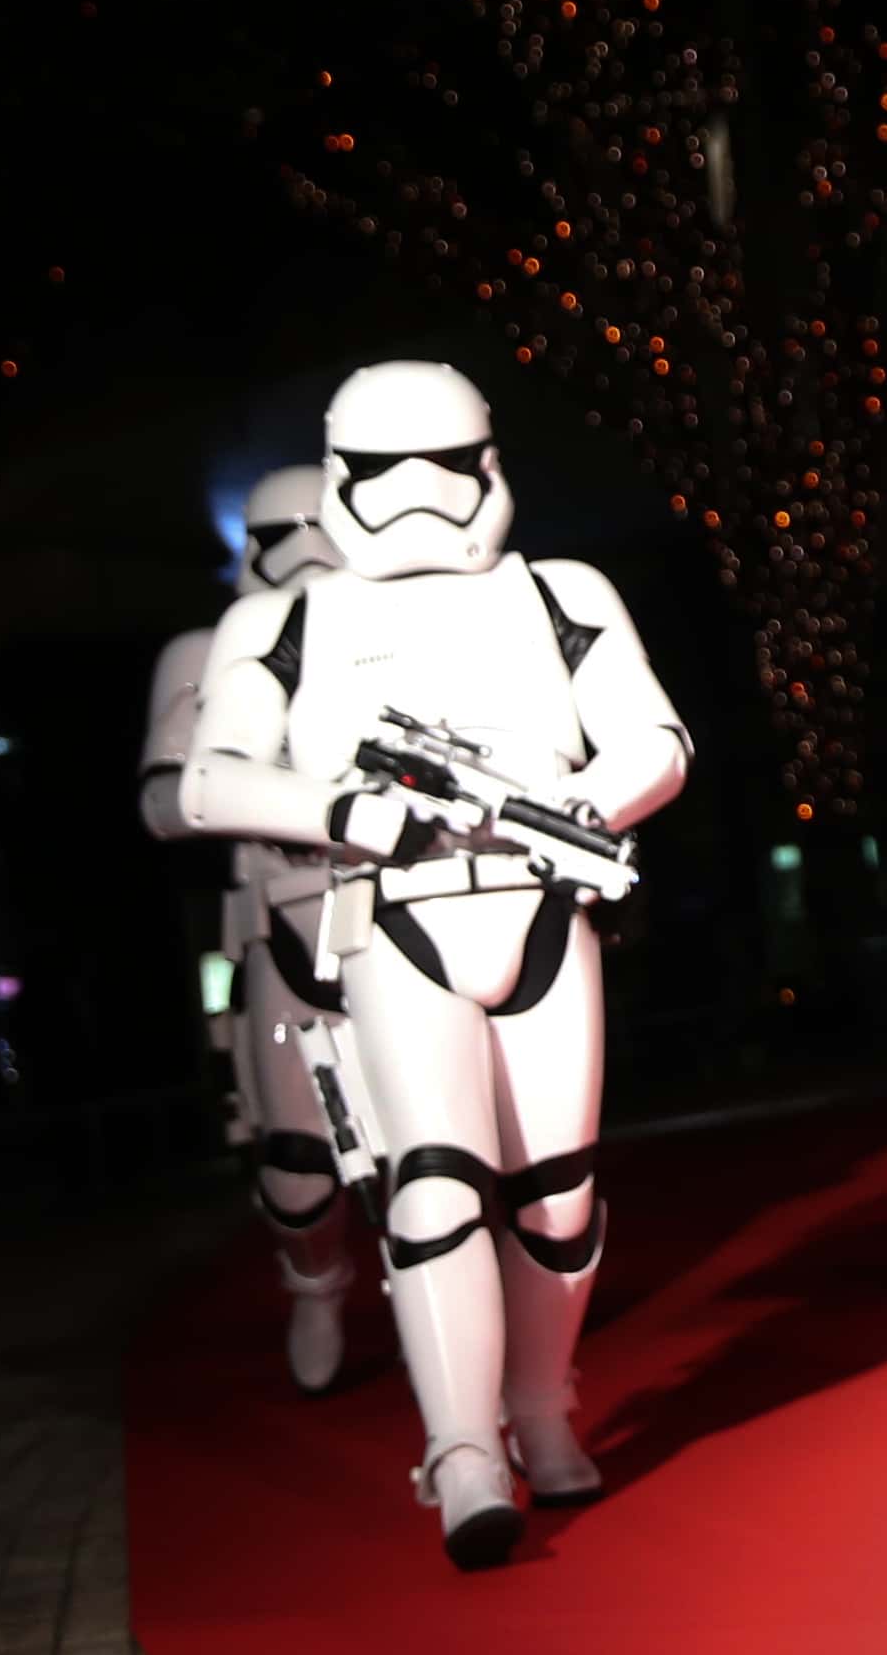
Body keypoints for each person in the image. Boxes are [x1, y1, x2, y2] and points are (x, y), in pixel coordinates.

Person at [181, 361, 692, 1569]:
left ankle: (540, 1401)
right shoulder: (289, 620)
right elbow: (211, 780)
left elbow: (655, 740)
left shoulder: (556, 591)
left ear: (489, 468)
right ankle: (460, 1447)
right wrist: (357, 814)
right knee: (436, 1180)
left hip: (539, 901)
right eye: (384, 474)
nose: (418, 499)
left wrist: (568, 803)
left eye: (444, 469)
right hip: (389, 911)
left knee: (559, 1202)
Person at [135, 460, 358, 1390]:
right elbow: (166, 794)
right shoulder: (212, 650)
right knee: (299, 1165)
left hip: (416, 910)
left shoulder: (406, 628)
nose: (304, 552)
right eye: (279, 534)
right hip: (289, 917)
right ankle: (316, 1289)